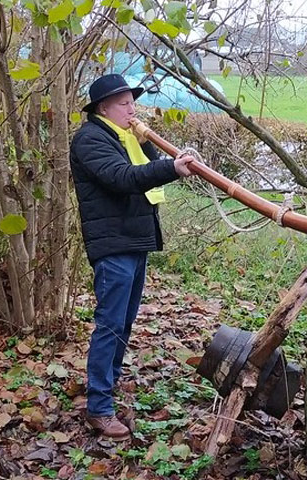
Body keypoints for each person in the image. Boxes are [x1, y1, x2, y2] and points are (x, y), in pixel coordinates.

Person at [69, 74, 196, 440]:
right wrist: (170, 167)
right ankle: (99, 408)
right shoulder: (91, 139)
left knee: (123, 324)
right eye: (123, 103)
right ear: (102, 108)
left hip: (133, 240)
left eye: (132, 102)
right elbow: (124, 178)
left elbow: (148, 174)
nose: (131, 109)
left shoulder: (126, 137)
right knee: (110, 324)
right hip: (112, 245)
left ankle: (109, 387)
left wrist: (171, 160)